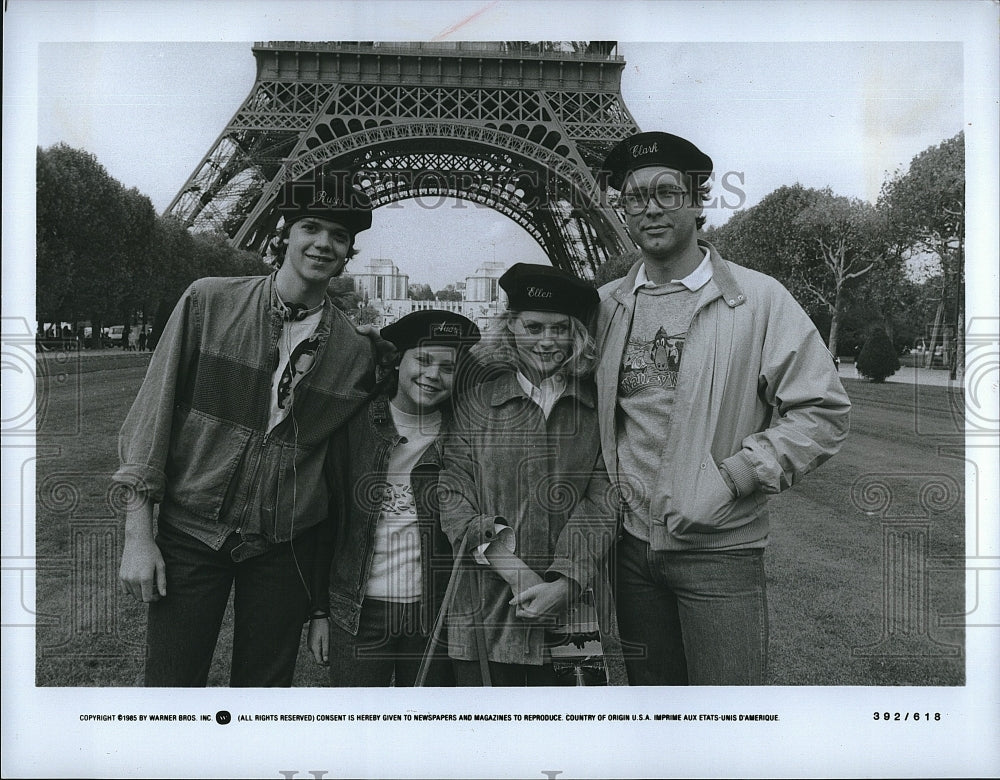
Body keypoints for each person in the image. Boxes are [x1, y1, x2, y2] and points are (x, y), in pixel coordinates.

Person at [594, 131, 851, 685]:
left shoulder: (758, 299)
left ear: (696, 200)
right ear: (623, 209)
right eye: (635, 198)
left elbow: (822, 410)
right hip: (631, 550)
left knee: (728, 724)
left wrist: (734, 476)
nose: (651, 209)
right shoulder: (607, 305)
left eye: (667, 193)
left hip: (719, 552)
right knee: (655, 728)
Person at [113, 173, 377, 686]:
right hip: (191, 534)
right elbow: (151, 421)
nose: (323, 242)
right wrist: (137, 534)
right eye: (311, 227)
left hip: (284, 548)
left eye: (338, 236)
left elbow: (420, 387)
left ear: (348, 253)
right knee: (169, 689)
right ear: (284, 234)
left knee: (263, 700)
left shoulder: (357, 352)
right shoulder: (208, 302)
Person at [439, 264, 617, 686]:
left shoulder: (596, 408)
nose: (547, 341)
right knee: (488, 743)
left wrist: (566, 581)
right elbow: (452, 493)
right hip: (486, 610)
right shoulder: (474, 404)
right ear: (510, 327)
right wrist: (516, 571)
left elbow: (603, 498)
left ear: (577, 335)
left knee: (571, 742)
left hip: (574, 607)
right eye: (534, 327)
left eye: (561, 329)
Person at [307, 310, 480, 686]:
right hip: (359, 609)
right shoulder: (352, 424)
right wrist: (319, 612)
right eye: (422, 359)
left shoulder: (463, 433)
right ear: (396, 359)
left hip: (432, 613)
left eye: (448, 367)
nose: (433, 375)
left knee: (425, 734)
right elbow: (326, 521)